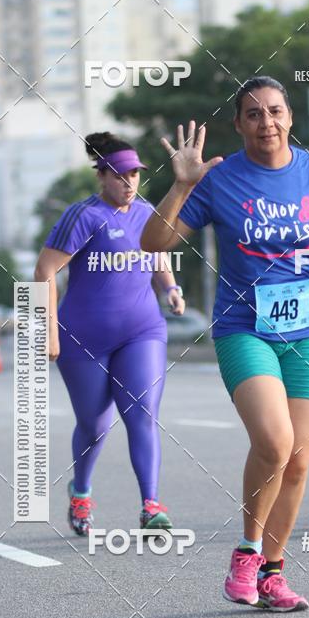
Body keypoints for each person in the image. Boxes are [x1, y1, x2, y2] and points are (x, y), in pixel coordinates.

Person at [140, 76, 309, 612]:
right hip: (245, 328)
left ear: (289, 117)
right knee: (274, 441)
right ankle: (245, 553)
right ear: (239, 125)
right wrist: (181, 185)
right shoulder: (220, 180)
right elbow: (154, 242)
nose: (266, 122)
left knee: (299, 460)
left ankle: (272, 573)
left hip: (308, 330)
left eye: (275, 111)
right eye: (253, 114)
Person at [35, 132, 185, 535]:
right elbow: (45, 270)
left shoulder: (147, 211)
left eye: (134, 175)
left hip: (142, 331)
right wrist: (49, 332)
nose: (128, 183)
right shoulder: (83, 216)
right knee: (94, 425)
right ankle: (81, 491)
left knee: (142, 414)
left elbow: (156, 254)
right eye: (119, 175)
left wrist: (170, 288)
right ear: (101, 176)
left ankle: (151, 505)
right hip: (83, 339)